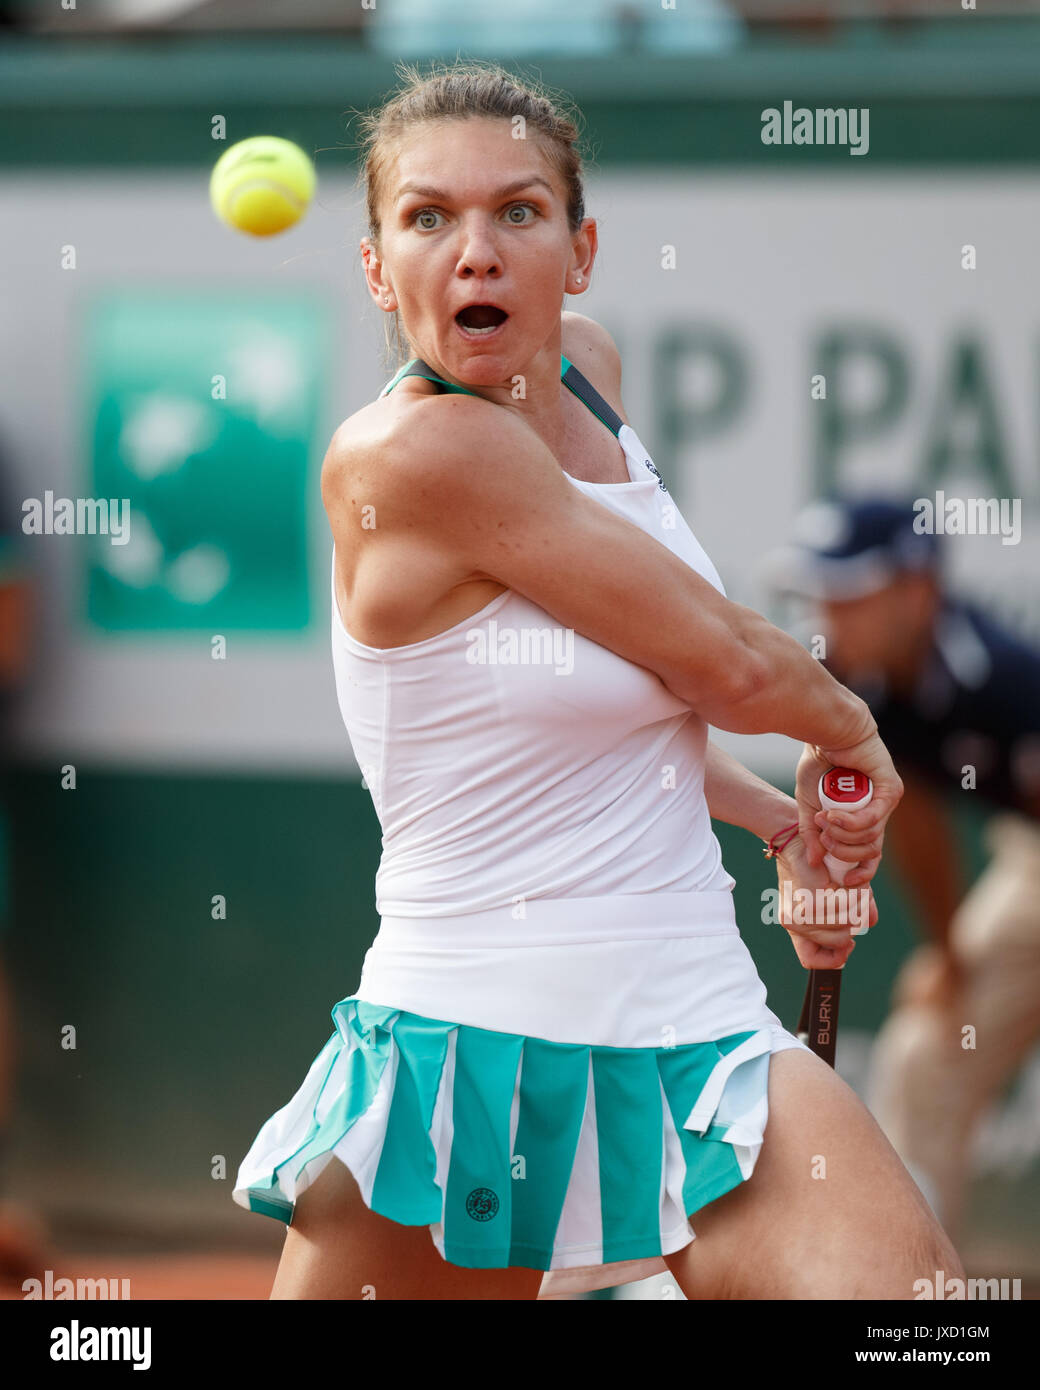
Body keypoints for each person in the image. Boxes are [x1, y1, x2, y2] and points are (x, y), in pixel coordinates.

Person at [232, 60, 961, 1300]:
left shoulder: (589, 373)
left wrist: (773, 812)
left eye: (517, 213)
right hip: (455, 1053)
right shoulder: (409, 455)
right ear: (374, 269)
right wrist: (849, 734)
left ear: (578, 251)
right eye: (427, 218)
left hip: (695, 1023)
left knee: (917, 1312)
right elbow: (724, 661)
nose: (475, 253)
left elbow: (624, 706)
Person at [763, 494, 1040, 1247]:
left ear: (919, 592)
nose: (830, 614)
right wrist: (949, 958)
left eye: (850, 594)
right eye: (823, 594)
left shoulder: (1014, 680)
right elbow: (917, 826)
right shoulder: (863, 685)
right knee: (927, 1051)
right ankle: (908, 1284)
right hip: (1031, 867)